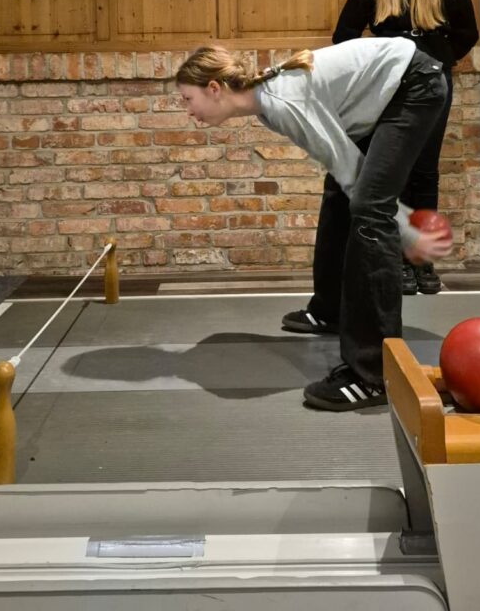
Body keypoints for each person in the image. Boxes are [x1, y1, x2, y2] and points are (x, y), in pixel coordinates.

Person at [175, 38, 452, 411]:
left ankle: (373, 376)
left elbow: (352, 172)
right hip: (398, 84)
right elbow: (343, 163)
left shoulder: (282, 102)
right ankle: (330, 310)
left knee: (369, 209)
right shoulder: (266, 102)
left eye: (188, 99)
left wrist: (409, 235)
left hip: (414, 84)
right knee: (341, 190)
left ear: (214, 88)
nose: (188, 111)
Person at [285, 0, 478, 330]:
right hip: (383, 91)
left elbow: (468, 34)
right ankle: (394, 263)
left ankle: (421, 263)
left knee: (425, 173)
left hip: (429, 87)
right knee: (387, 177)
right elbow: (343, 37)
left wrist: (438, 59)